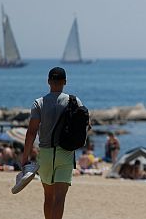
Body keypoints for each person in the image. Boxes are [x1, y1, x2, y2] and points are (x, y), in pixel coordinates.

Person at [22, 67, 84, 219]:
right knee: (60, 198)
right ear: (65, 82)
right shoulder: (74, 101)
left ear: (49, 81)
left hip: (46, 154)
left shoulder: (39, 103)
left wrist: (25, 157)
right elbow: (84, 126)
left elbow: (31, 132)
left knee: (48, 197)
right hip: (66, 153)